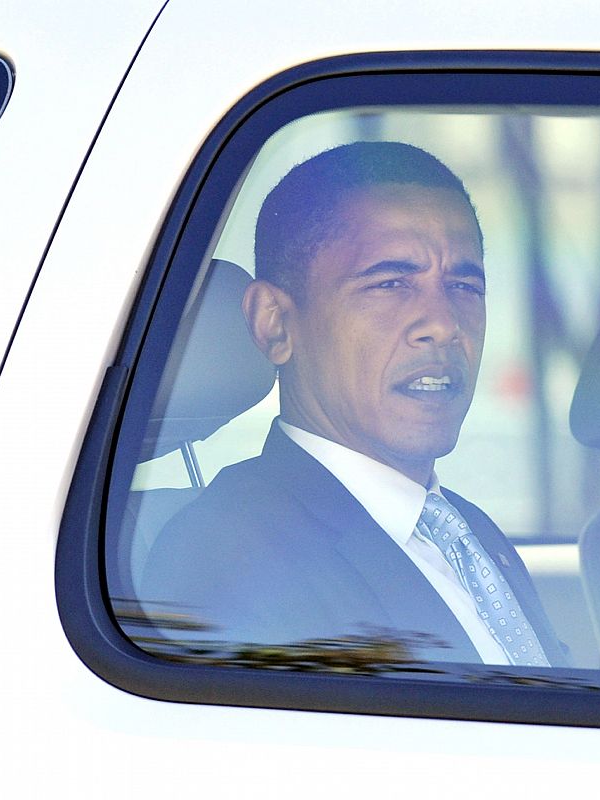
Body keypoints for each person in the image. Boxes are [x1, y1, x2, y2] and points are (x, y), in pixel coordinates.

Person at [140, 142, 566, 668]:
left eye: (463, 285)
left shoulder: (468, 532)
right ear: (275, 323)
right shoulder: (229, 557)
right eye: (391, 283)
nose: (444, 324)